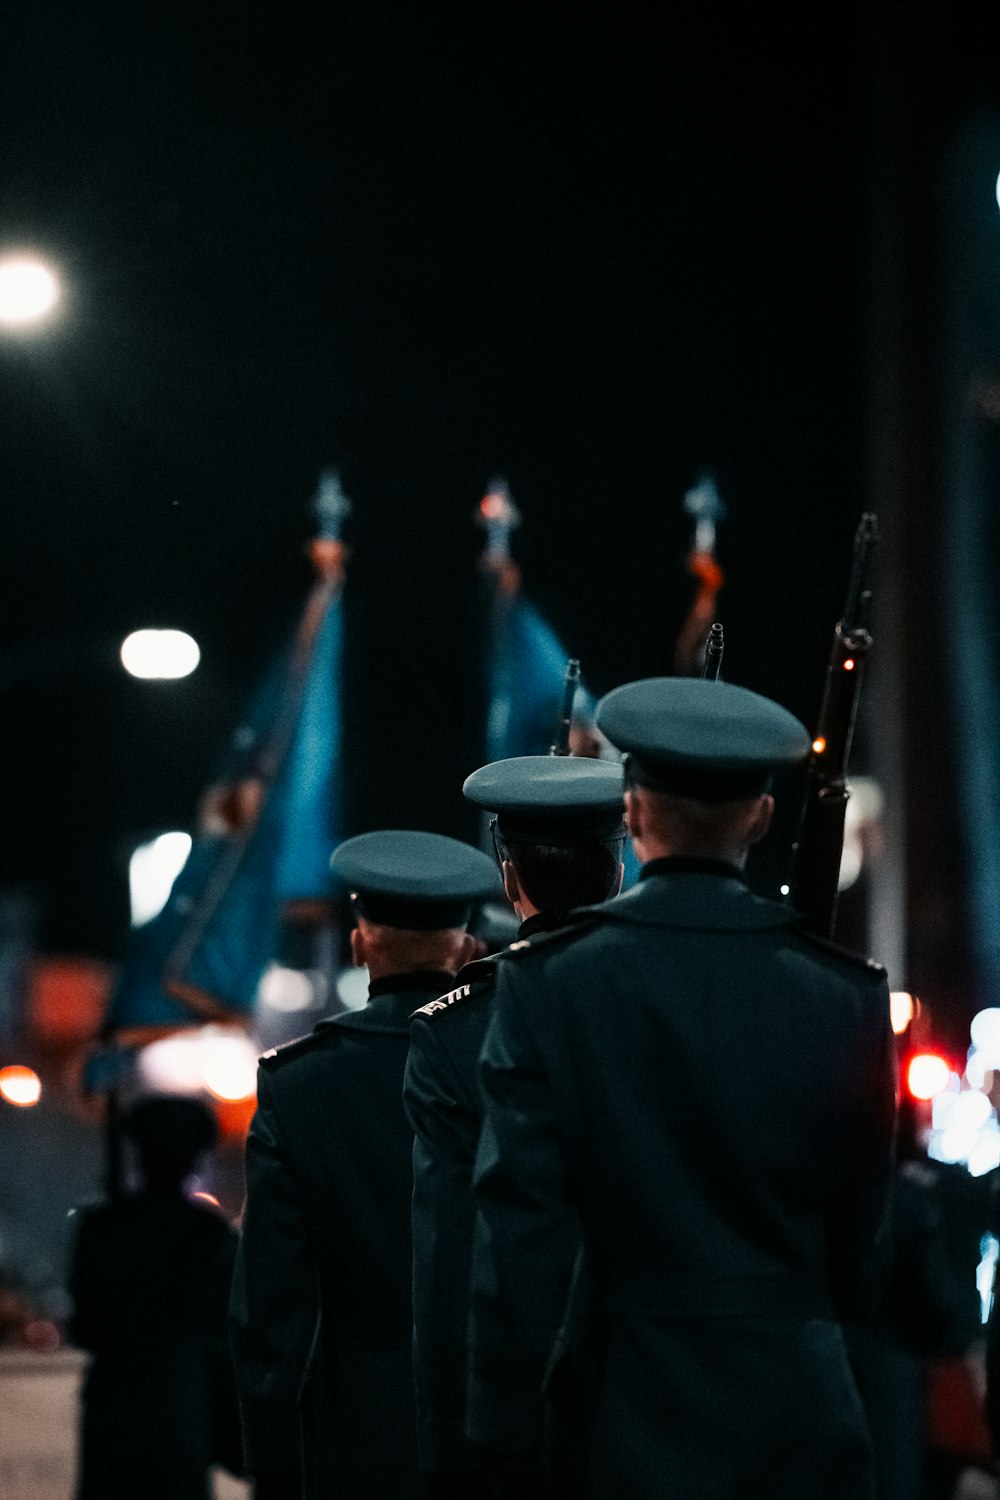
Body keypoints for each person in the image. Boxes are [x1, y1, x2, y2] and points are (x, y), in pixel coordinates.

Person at [466, 676, 898, 1500]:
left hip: (625, 1407)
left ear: (630, 814)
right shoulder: (844, 990)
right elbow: (864, 1247)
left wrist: (503, 1430)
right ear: (763, 818)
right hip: (800, 1406)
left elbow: (521, 1234)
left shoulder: (551, 984)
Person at [229, 829, 502, 1500]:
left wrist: (272, 1457)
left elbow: (270, 1299)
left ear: (359, 942)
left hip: (356, 1420)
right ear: (468, 947)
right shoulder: (510, 1063)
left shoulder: (298, 1084)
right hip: (496, 1409)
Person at [403, 755, 626, 1497]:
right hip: (678, 1394)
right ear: (617, 869)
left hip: (520, 1403)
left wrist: (449, 1439)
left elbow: (449, 1249)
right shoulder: (667, 992)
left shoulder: (457, 1027)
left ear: (508, 877)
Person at [69, 1093, 240, 1500]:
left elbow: (85, 1328)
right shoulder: (211, 1237)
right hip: (182, 1414)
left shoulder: (100, 1228)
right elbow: (222, 1336)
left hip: (114, 1413)